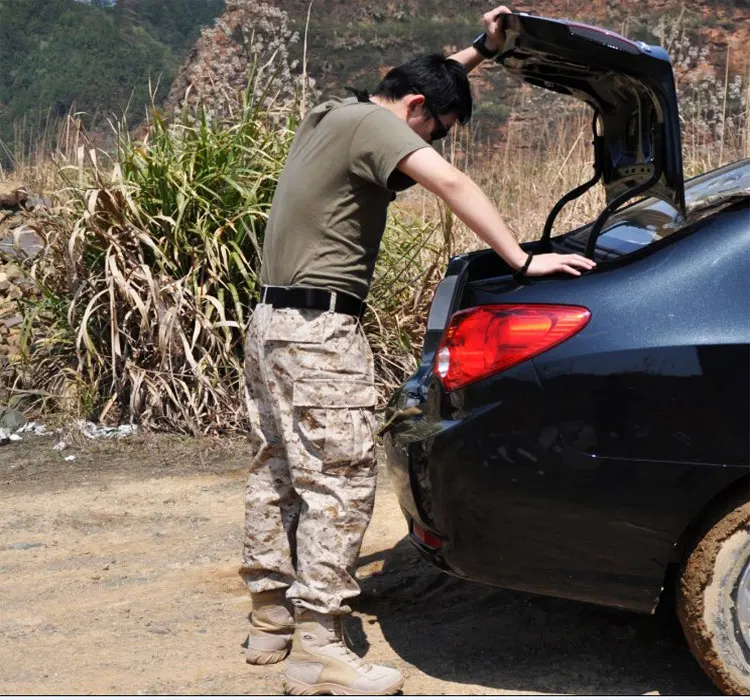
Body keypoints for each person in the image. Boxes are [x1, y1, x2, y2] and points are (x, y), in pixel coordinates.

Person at [240, 6, 596, 695]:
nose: (434, 146)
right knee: (338, 482)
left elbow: (423, 85)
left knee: (276, 471)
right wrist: (523, 260)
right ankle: (320, 648)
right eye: (436, 130)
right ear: (411, 108)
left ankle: (270, 615)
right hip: (318, 335)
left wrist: (479, 54)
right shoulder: (380, 125)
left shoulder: (333, 114)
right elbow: (453, 184)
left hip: (270, 326)